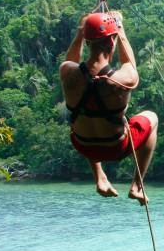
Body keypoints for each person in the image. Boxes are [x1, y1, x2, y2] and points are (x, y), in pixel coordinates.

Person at [59, 11, 158, 205]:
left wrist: (81, 30)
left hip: (82, 145)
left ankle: (100, 177)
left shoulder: (67, 73)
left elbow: (70, 60)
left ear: (87, 41)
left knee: (85, 117)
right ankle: (137, 186)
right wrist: (120, 28)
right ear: (111, 42)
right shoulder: (121, 79)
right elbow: (129, 62)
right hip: (116, 148)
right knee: (152, 117)